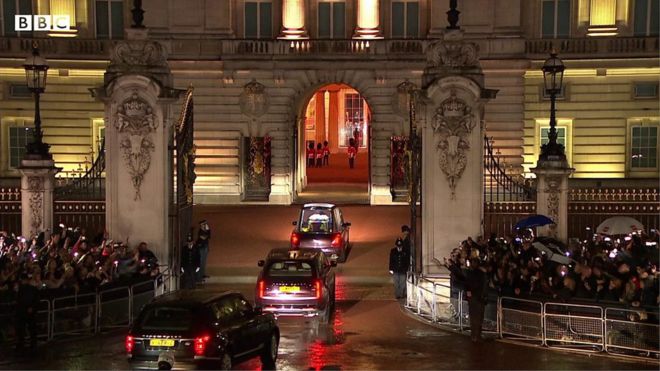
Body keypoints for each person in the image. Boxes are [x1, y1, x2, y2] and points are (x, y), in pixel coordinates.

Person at [465, 258, 488, 342]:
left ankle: (474, 335)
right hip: (478, 298)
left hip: (474, 298)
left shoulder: (469, 273)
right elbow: (483, 286)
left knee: (474, 317)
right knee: (478, 318)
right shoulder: (480, 274)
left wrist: (468, 295)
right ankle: (476, 335)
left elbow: (467, 285)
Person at [15, 273, 40, 351]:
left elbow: (19, 300)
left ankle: (23, 344)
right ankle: (31, 344)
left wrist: (32, 307)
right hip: (26, 311)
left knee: (24, 329)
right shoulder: (30, 289)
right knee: (29, 328)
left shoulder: (22, 289)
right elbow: (36, 300)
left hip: (24, 311)